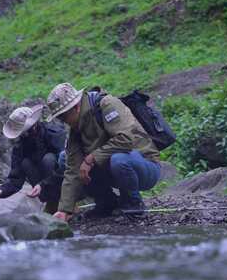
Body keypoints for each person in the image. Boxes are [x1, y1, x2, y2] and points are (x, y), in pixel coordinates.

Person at [46, 83, 161, 221]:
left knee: (118, 160)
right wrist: (64, 210)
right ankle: (107, 204)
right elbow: (72, 170)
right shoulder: (75, 129)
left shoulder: (106, 104)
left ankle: (133, 205)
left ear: (76, 108)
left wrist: (91, 159)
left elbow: (126, 139)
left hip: (145, 165)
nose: (63, 122)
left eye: (63, 117)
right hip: (114, 168)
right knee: (66, 159)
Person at [0, 104, 66, 214]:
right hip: (43, 188)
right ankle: (52, 202)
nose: (25, 135)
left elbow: (67, 165)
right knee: (26, 163)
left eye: (27, 131)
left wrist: (43, 184)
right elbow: (15, 179)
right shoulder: (20, 147)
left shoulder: (53, 134)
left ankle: (65, 203)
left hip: (65, 182)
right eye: (22, 133)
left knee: (49, 159)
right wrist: (1, 191)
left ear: (34, 126)